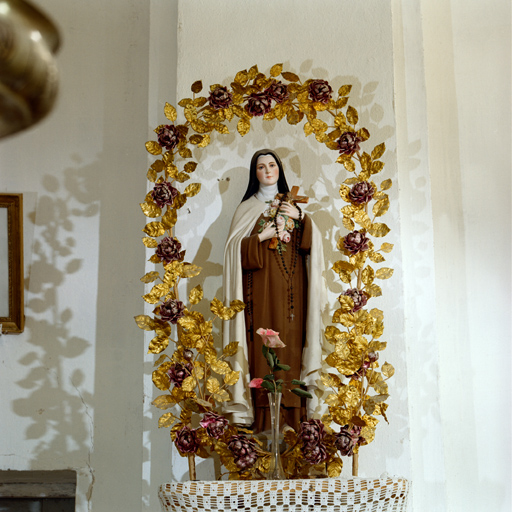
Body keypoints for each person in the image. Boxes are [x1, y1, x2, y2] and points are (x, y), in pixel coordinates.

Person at [222, 149, 325, 433]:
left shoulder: (294, 204)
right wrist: (260, 238)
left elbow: (310, 247)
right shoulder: (247, 208)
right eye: (260, 167)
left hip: (294, 291)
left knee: (291, 347)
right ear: (254, 174)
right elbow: (234, 253)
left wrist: (302, 217)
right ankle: (263, 423)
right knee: (263, 349)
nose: (267, 171)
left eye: (271, 165)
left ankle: (296, 424)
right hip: (261, 293)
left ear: (279, 169)